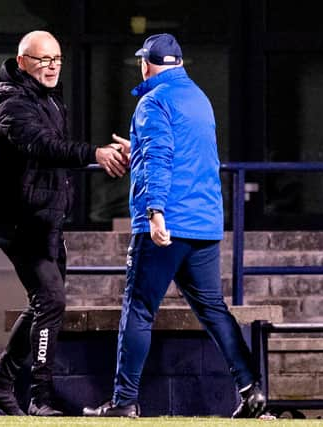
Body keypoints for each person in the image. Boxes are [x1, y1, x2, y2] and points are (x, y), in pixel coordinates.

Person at [82, 33, 266, 419]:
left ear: (146, 64)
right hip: (204, 224)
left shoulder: (153, 101)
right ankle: (251, 389)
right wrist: (139, 154)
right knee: (214, 310)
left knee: (139, 309)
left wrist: (155, 212)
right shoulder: (199, 99)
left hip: (168, 223)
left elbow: (160, 159)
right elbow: (185, 156)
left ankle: (124, 401)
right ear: (179, 64)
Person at [0, 30, 128, 417]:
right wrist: (95, 153)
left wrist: (100, 155)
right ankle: (39, 398)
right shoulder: (11, 107)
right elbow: (43, 146)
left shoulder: (45, 97)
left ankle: (1, 383)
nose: (52, 66)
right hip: (18, 221)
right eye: (43, 60)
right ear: (22, 63)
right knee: (51, 300)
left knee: (44, 304)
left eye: (56, 59)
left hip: (44, 218)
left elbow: (51, 157)